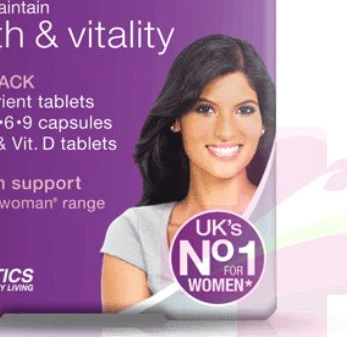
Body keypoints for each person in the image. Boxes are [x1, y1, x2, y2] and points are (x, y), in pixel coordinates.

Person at [100, 34, 275, 313]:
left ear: (263, 122)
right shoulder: (136, 232)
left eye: (244, 110)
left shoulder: (292, 220)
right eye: (205, 109)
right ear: (177, 120)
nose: (225, 131)